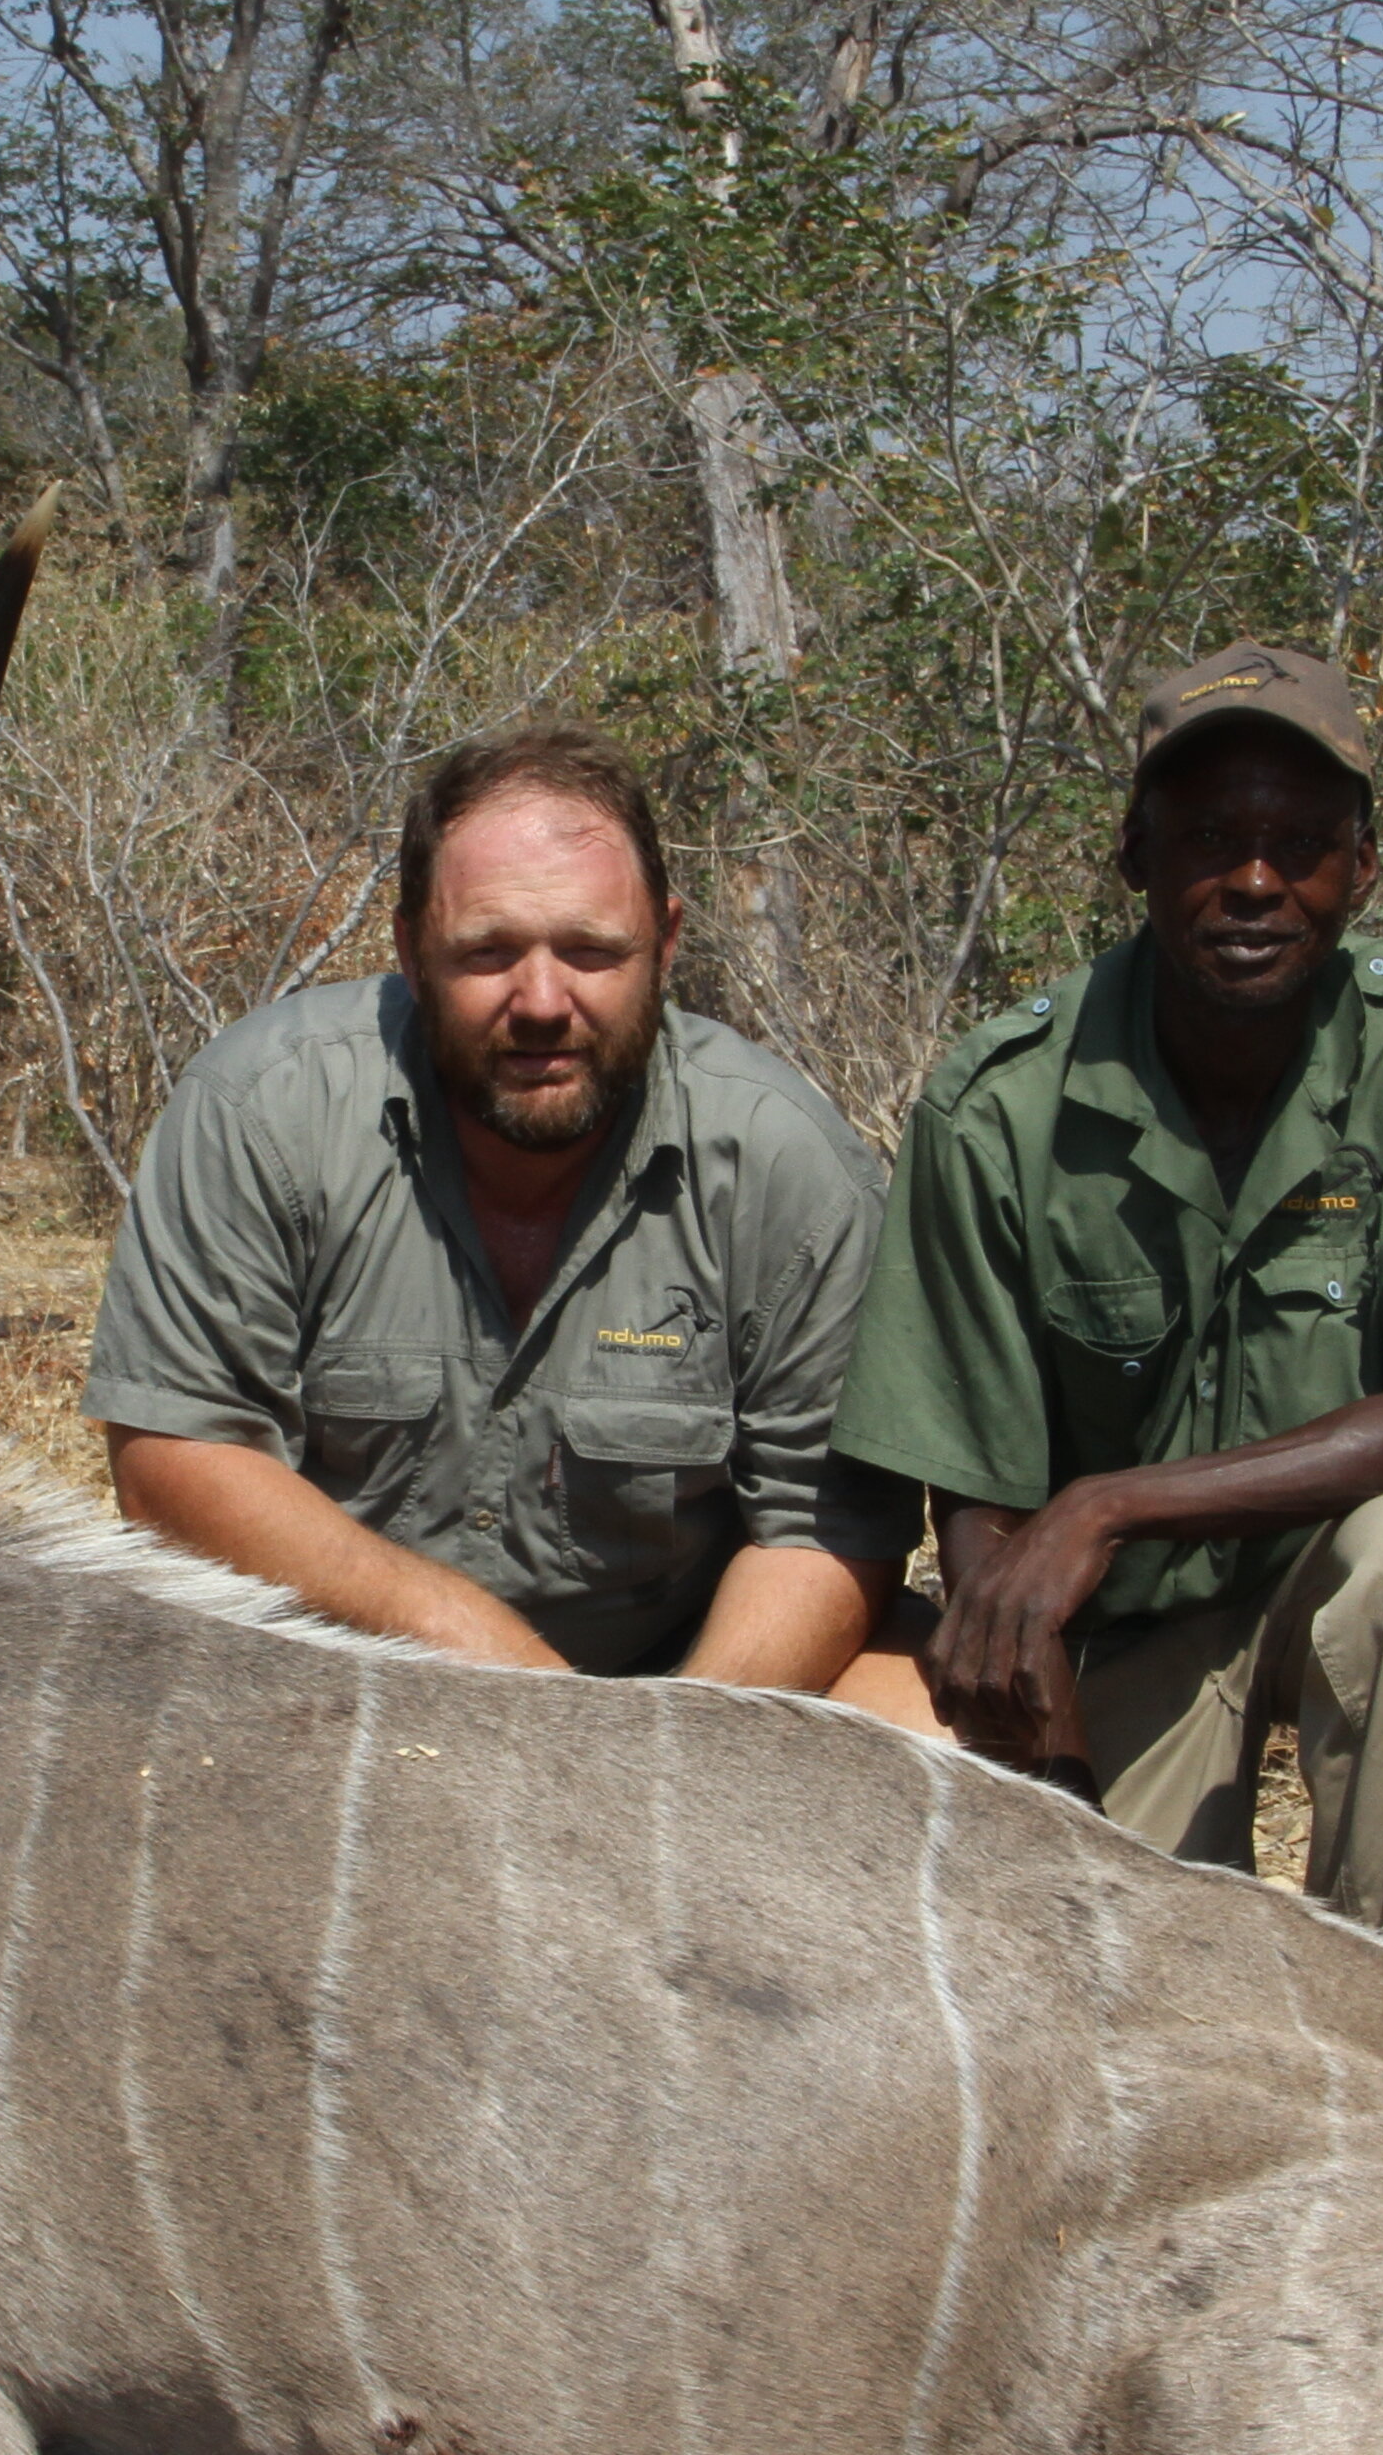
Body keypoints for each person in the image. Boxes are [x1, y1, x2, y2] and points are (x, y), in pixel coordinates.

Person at [833, 644, 1383, 1975]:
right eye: (1210, 838)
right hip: (1129, 1640)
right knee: (1106, 1997)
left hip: (1344, 1594)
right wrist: (1054, 1751)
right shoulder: (999, 1103)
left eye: (1300, 842)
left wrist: (1115, 1501)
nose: (1257, 881)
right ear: (1134, 856)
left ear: (1364, 868)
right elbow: (976, 1502)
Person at [82, 719, 929, 1711]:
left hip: (679, 1698)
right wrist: (503, 1676)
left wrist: (668, 1755)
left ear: (666, 942)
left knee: (943, 1713)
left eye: (590, 950)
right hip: (328, 1681)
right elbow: (178, 1461)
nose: (541, 1001)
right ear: (409, 948)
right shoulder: (261, 1108)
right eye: (487, 952)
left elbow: (821, 1534)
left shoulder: (791, 1163)